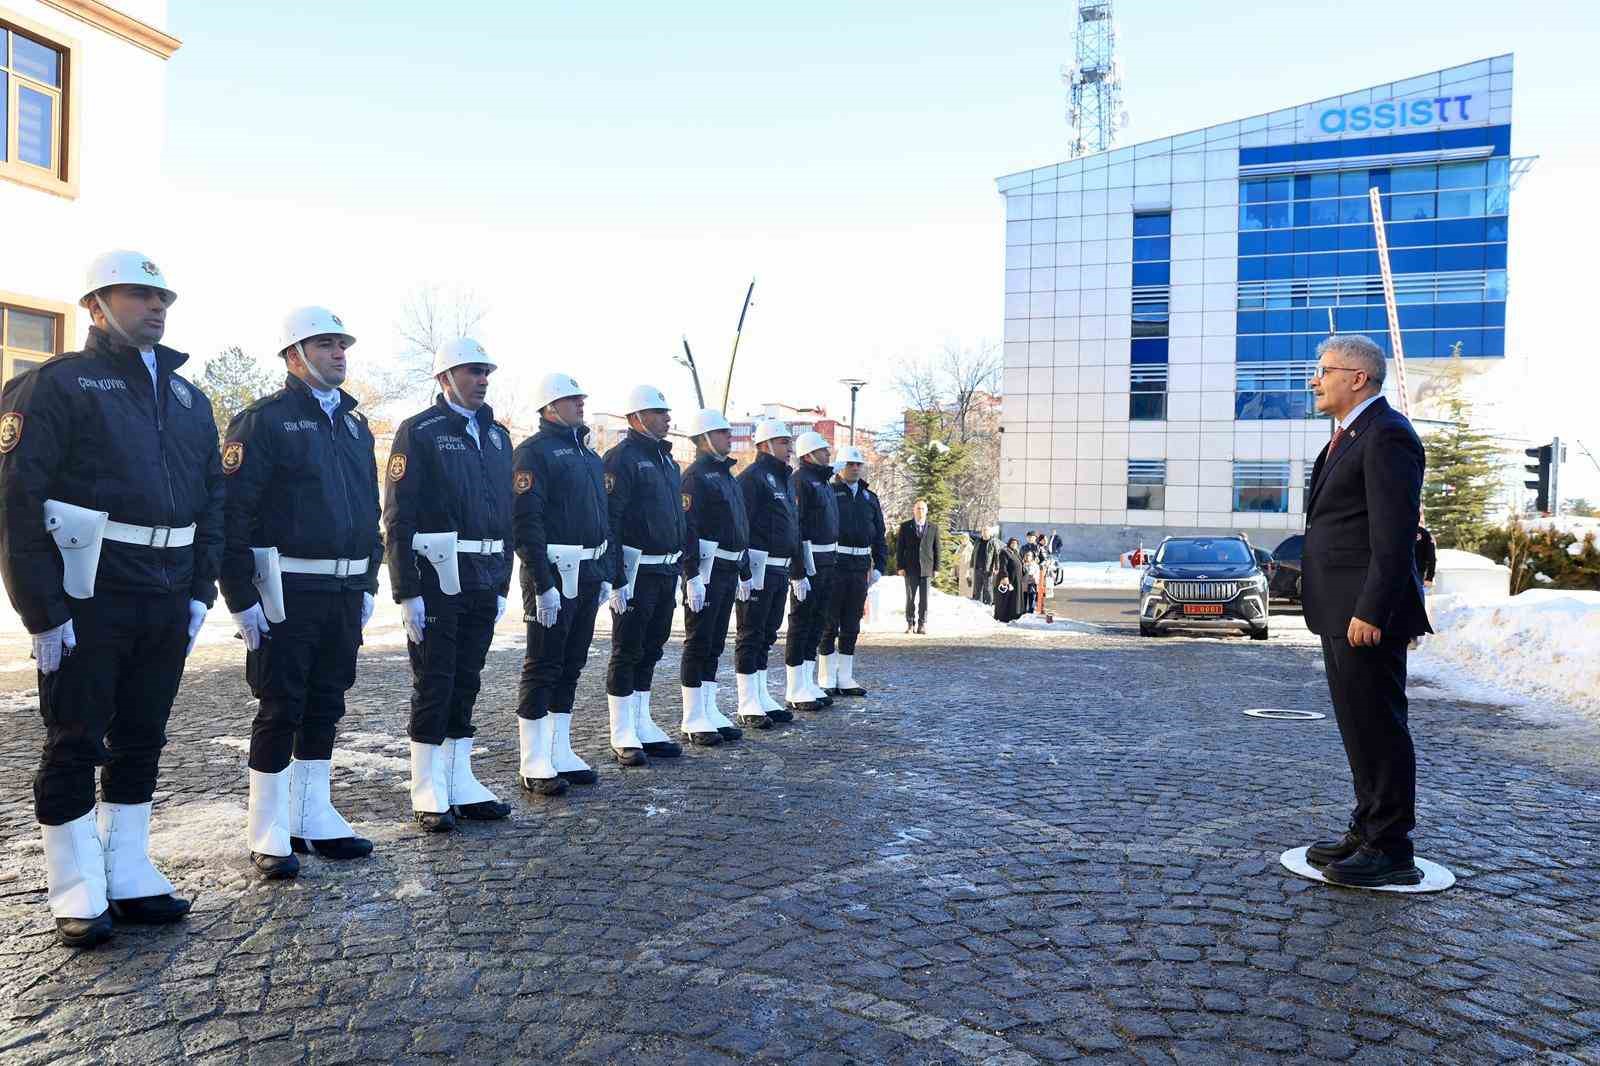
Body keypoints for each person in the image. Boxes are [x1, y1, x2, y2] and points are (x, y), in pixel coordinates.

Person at [0, 250, 222, 946]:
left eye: (163, 298)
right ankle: (76, 887)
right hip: (89, 586)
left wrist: (200, 588)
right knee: (74, 737)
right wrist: (42, 608)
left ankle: (127, 869)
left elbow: (214, 496)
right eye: (136, 296)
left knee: (143, 736)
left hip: (165, 587)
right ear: (95, 306)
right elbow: (17, 498)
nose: (155, 308)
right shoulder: (58, 385)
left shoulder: (190, 399)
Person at [223, 307, 381, 878]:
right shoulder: (263, 421)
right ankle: (268, 827)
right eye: (325, 345)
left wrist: (369, 577)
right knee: (280, 705)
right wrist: (240, 597)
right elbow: (234, 514)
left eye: (343, 344)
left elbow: (369, 508)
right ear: (294, 356)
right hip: (286, 587)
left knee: (326, 702)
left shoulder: (356, 425)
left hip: (342, 586)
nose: (339, 354)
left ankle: (312, 813)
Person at [1300, 334, 1433, 888]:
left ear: (1358, 378)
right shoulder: (1351, 435)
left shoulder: (1387, 436)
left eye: (1324, 370)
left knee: (1379, 726)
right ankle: (1367, 827)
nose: (1315, 380)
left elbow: (1394, 537)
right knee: (1359, 726)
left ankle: (1390, 846)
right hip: (1341, 610)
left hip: (1364, 616)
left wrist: (1372, 611)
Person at [383, 337, 515, 832]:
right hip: (438, 576)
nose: (482, 379)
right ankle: (427, 786)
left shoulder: (498, 437)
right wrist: (407, 591)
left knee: (468, 679)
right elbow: (398, 516)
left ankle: (459, 780)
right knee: (435, 681)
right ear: (444, 379)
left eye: (486, 372)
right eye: (471, 371)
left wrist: (504, 581)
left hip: (485, 575)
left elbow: (507, 515)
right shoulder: (420, 432)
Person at [512, 373, 613, 796]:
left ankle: (559, 748)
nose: (580, 405)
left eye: (581, 398)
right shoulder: (534, 453)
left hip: (588, 571)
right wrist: (542, 581)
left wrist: (606, 571)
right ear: (549, 407)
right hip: (553, 570)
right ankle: (533, 758)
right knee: (544, 663)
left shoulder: (590, 457)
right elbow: (526, 521)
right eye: (572, 400)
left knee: (572, 663)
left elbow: (602, 518)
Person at [601, 385, 686, 766]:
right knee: (628, 650)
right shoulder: (621, 459)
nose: (668, 417)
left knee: (652, 648)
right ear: (636, 417)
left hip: (665, 569)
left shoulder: (669, 462)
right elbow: (612, 521)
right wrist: (617, 577)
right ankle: (622, 731)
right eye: (659, 411)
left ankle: (642, 720)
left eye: (667, 411)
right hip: (636, 572)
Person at [678, 408, 755, 743]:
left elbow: (740, 527)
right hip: (707, 570)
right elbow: (688, 529)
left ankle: (708, 708)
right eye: (723, 433)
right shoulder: (695, 477)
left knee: (715, 642)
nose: (729, 437)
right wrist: (692, 574)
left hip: (727, 567)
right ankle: (693, 715)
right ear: (705, 438)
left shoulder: (727, 477)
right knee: (699, 641)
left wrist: (744, 570)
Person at [734, 418, 799, 727]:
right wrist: (743, 570)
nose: (790, 448)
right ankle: (747, 702)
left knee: (767, 634)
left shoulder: (785, 479)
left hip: (778, 568)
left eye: (789, 442)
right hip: (757, 566)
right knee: (751, 633)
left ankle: (760, 695)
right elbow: (742, 526)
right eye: (784, 442)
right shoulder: (753, 478)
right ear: (765, 445)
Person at [818, 446, 886, 697]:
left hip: (860, 568)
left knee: (851, 623)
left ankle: (845, 676)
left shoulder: (870, 498)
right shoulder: (830, 492)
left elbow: (880, 535)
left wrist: (879, 565)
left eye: (858, 464)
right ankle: (826, 676)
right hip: (836, 564)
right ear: (840, 466)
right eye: (850, 464)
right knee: (829, 622)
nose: (855, 468)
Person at [783, 431, 839, 710]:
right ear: (808, 455)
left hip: (828, 560)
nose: (829, 453)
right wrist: (798, 570)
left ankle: (806, 680)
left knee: (818, 621)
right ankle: (795, 685)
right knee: (801, 622)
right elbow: (797, 527)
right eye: (823, 450)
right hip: (809, 559)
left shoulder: (823, 482)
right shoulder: (800, 481)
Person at [895, 499, 940, 634]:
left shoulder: (933, 528)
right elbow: (900, 548)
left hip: (926, 568)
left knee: (924, 599)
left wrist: (936, 568)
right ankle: (910, 622)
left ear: (926, 511)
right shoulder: (905, 527)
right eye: (918, 508)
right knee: (910, 598)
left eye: (922, 509)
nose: (920, 511)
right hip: (910, 568)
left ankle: (922, 624)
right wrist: (900, 567)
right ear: (913, 510)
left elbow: (937, 548)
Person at [992, 537, 1027, 623]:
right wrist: (1004, 577)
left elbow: (1020, 564)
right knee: (1006, 598)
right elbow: (1003, 566)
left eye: (1016, 543)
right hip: (1009, 579)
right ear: (1009, 543)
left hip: (1016, 580)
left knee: (1015, 599)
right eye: (1012, 543)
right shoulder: (1005, 552)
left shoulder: (1016, 553)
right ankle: (1004, 617)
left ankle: (1015, 615)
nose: (1014, 545)